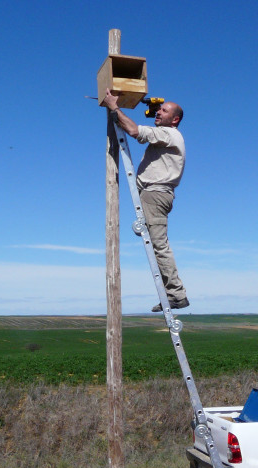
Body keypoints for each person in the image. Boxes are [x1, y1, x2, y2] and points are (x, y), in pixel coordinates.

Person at [103, 89, 189, 312]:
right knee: (157, 242)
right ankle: (173, 293)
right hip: (155, 193)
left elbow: (133, 130)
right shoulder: (167, 134)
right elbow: (150, 123)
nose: (158, 112)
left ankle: (176, 294)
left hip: (155, 194)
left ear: (176, 119)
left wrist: (114, 107)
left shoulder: (168, 134)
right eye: (158, 109)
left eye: (164, 111)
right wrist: (151, 108)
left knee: (159, 244)